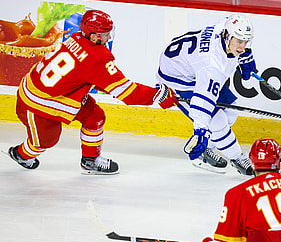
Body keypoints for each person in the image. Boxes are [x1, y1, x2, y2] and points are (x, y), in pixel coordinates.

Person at [8, 9, 178, 175]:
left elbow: (90, 76)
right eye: (106, 34)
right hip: (36, 103)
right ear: (94, 36)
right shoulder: (96, 58)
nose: (109, 37)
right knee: (45, 142)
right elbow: (127, 93)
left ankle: (90, 161)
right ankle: (20, 154)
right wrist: (158, 94)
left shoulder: (76, 38)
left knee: (94, 116)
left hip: (55, 94)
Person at [156, 14, 257, 175]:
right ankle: (237, 158)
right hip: (178, 80)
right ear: (227, 37)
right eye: (239, 42)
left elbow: (228, 18)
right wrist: (200, 130)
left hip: (192, 68)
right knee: (216, 122)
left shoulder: (223, 28)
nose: (243, 46)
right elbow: (203, 101)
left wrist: (244, 54)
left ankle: (208, 147)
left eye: (246, 42)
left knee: (231, 110)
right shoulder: (212, 66)